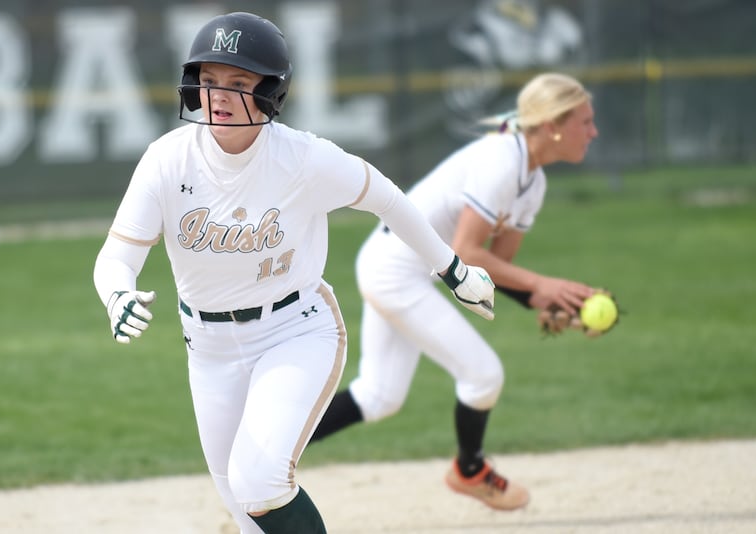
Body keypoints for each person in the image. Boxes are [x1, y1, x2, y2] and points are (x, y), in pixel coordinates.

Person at [92, 11, 495, 534]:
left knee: (259, 483)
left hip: (295, 330)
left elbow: (390, 200)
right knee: (245, 511)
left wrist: (453, 269)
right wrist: (117, 294)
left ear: (271, 92)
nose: (219, 93)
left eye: (239, 82)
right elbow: (116, 258)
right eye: (209, 80)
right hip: (207, 348)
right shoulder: (167, 160)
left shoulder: (304, 159)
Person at [310, 72, 600, 511]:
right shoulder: (503, 160)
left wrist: (548, 301)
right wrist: (543, 284)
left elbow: (494, 267)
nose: (593, 132)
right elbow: (465, 250)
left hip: (396, 266)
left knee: (379, 396)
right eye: (585, 121)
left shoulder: (532, 182)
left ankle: (267, 450)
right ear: (552, 125)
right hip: (394, 271)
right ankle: (470, 470)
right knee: (483, 375)